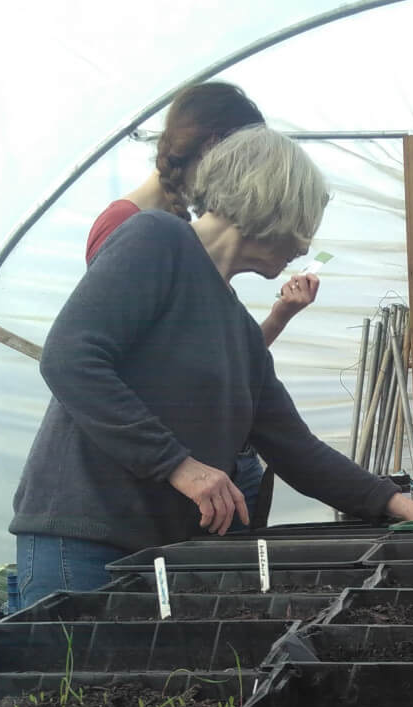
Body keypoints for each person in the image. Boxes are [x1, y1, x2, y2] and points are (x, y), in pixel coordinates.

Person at [11, 125, 413, 605]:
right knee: (68, 679)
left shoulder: (238, 329)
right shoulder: (157, 239)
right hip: (85, 540)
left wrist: (396, 504)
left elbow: (295, 448)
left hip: (159, 551)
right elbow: (71, 357)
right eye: (303, 225)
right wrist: (180, 465)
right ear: (271, 203)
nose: (304, 246)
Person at [86, 81, 318, 530]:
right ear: (218, 150)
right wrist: (179, 464)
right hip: (131, 497)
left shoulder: (189, 243)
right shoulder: (138, 230)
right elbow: (100, 363)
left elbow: (217, 362)